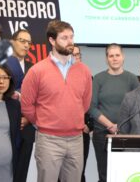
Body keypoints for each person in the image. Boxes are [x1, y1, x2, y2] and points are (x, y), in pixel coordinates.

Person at [21, 20, 92, 182]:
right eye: (64, 38)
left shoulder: (84, 71)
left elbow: (85, 103)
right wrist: (43, 122)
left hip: (76, 139)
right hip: (48, 140)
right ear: (52, 41)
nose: (70, 42)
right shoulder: (37, 71)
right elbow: (27, 105)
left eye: (71, 37)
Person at [89, 43, 139, 182]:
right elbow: (91, 107)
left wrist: (120, 126)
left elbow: (137, 106)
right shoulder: (98, 78)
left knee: (125, 174)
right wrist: (110, 125)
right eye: (111, 56)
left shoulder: (132, 78)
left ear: (123, 57)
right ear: (106, 59)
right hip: (102, 134)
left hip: (127, 133)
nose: (115, 58)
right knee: (105, 174)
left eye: (117, 55)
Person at [5, 29, 35, 182]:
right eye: (22, 41)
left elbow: (40, 98)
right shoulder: (1, 66)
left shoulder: (35, 68)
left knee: (22, 172)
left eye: (29, 42)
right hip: (6, 126)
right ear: (13, 42)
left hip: (27, 127)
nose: (26, 45)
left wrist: (29, 119)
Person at [0, 64, 21, 182]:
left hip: (7, 168)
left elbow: (16, 136)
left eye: (5, 77)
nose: (1, 81)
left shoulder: (14, 105)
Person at [72, 45, 94, 182]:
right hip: (61, 133)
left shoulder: (87, 76)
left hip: (81, 132)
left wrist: (89, 125)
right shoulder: (59, 75)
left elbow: (93, 103)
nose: (75, 57)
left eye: (77, 55)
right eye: (72, 54)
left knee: (79, 172)